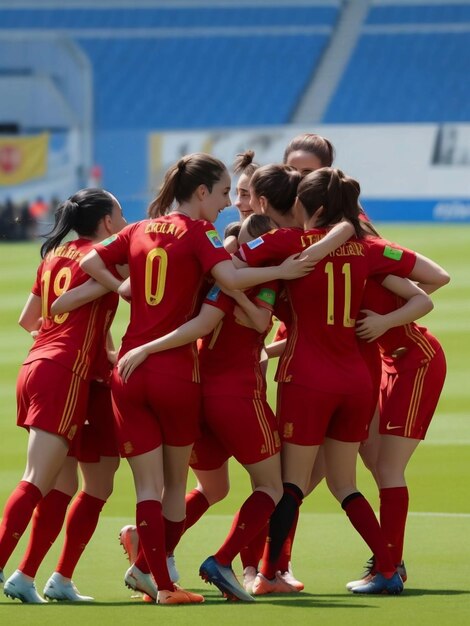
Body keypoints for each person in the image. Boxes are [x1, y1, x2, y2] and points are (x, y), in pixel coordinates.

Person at [77, 153, 319, 605]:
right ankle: (177, 576)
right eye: (227, 192)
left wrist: (121, 289)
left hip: (128, 370)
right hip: (178, 373)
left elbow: (91, 259)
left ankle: (154, 571)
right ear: (202, 191)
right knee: (185, 486)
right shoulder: (200, 233)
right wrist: (282, 272)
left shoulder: (139, 228)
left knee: (165, 486)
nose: (231, 202)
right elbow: (227, 281)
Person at [236, 165, 450, 595]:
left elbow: (235, 260)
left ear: (304, 205)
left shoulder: (287, 243)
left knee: (293, 483)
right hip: (357, 376)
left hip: (330, 374)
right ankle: (387, 567)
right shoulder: (366, 250)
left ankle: (261, 569)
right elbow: (431, 280)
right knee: (345, 481)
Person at [0, 189, 126, 603]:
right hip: (65, 374)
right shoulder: (106, 256)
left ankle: (36, 577)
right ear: (107, 222)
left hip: (47, 367)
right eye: (120, 215)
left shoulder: (55, 256)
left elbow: (28, 319)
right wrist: (68, 352)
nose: (123, 222)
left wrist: (68, 345)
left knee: (71, 483)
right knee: (38, 480)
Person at [344, 274, 447, 591]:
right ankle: (390, 562)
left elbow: (436, 280)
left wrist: (387, 319)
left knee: (389, 467)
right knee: (372, 457)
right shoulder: (346, 258)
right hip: (388, 360)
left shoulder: (374, 256)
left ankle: (389, 566)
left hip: (416, 362)